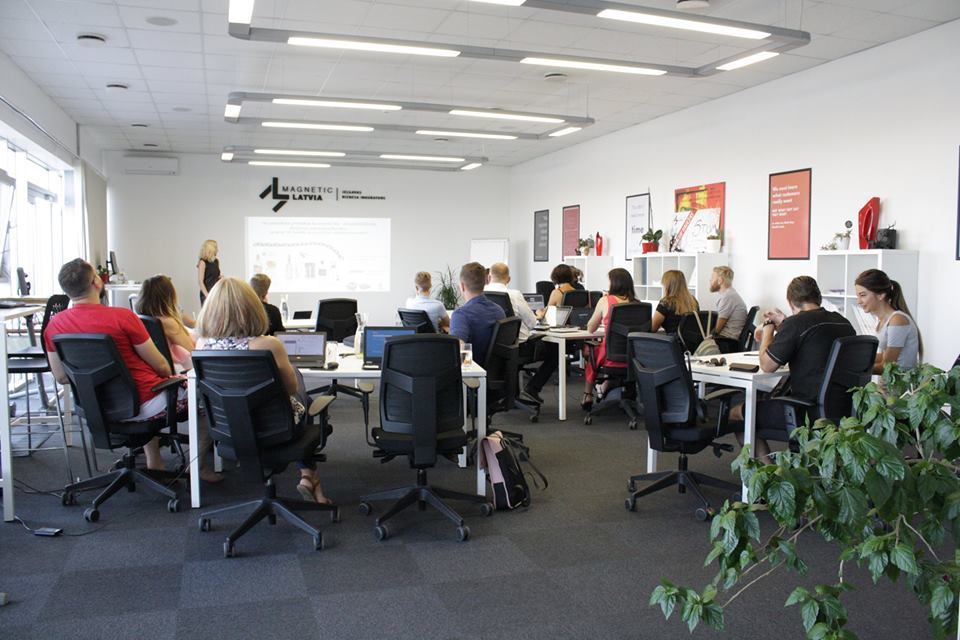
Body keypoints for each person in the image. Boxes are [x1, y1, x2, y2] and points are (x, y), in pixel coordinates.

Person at [44, 259, 214, 478]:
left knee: (148, 388)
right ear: (96, 282)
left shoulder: (54, 325)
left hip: (95, 407)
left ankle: (155, 460)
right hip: (145, 405)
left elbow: (60, 376)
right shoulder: (122, 317)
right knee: (207, 397)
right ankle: (197, 467)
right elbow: (161, 366)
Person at [195, 277, 331, 504]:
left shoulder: (202, 346)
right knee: (301, 394)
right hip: (274, 427)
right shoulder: (268, 345)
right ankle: (308, 475)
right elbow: (290, 389)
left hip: (228, 428)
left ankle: (309, 477)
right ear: (252, 308)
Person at [733, 276, 855, 461]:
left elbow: (767, 365)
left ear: (791, 302)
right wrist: (784, 323)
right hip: (843, 407)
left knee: (737, 414)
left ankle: (770, 479)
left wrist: (768, 328)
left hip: (805, 410)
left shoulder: (796, 324)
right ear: (818, 297)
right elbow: (811, 340)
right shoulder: (843, 322)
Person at [581, 268, 637, 410]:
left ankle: (587, 395)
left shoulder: (605, 301)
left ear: (614, 283)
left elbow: (590, 328)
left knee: (591, 351)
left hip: (610, 355)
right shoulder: (638, 303)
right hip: (634, 357)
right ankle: (607, 386)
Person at [854, 269, 922, 372]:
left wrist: (852, 368)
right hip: (886, 386)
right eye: (857, 296)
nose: (858, 301)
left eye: (863, 295)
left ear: (881, 295)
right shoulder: (883, 321)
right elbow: (885, 356)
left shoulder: (897, 321)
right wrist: (854, 359)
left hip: (900, 387)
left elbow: (887, 366)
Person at [449, 262, 505, 369]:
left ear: (462, 286)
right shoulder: (499, 310)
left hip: (472, 374)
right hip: (494, 371)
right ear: (485, 282)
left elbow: (459, 354)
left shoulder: (461, 315)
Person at [135, 274, 196, 370]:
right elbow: (192, 350)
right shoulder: (168, 322)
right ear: (169, 296)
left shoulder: (144, 318)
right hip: (181, 370)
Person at [485, 262, 537, 343]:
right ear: (509, 279)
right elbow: (532, 323)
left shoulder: (482, 293)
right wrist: (538, 316)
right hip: (518, 346)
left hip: (492, 346)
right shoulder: (515, 295)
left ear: (488, 277)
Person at [709, 266, 748, 353]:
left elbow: (717, 329)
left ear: (720, 280)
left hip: (727, 341)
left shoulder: (728, 297)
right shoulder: (730, 294)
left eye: (712, 278)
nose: (710, 280)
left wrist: (707, 336)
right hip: (728, 339)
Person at [197, 239, 221, 305]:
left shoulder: (216, 261)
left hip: (216, 292)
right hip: (207, 293)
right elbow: (200, 282)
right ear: (211, 249)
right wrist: (207, 295)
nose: (217, 250)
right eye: (216, 247)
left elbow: (215, 276)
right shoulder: (202, 262)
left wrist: (221, 278)